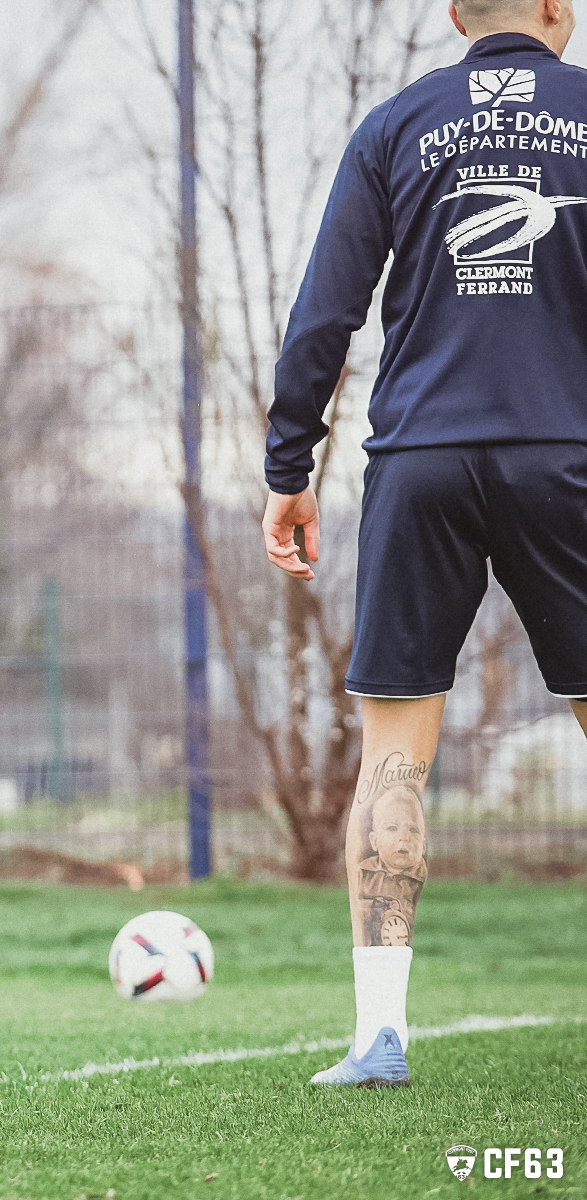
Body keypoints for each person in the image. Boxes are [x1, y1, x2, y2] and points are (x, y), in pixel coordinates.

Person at [262, 0, 585, 1088]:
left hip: (420, 460)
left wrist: (285, 468)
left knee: (394, 755)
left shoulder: (396, 123)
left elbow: (324, 312)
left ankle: (378, 1039)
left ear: (455, 14)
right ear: (558, 9)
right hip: (569, 453)